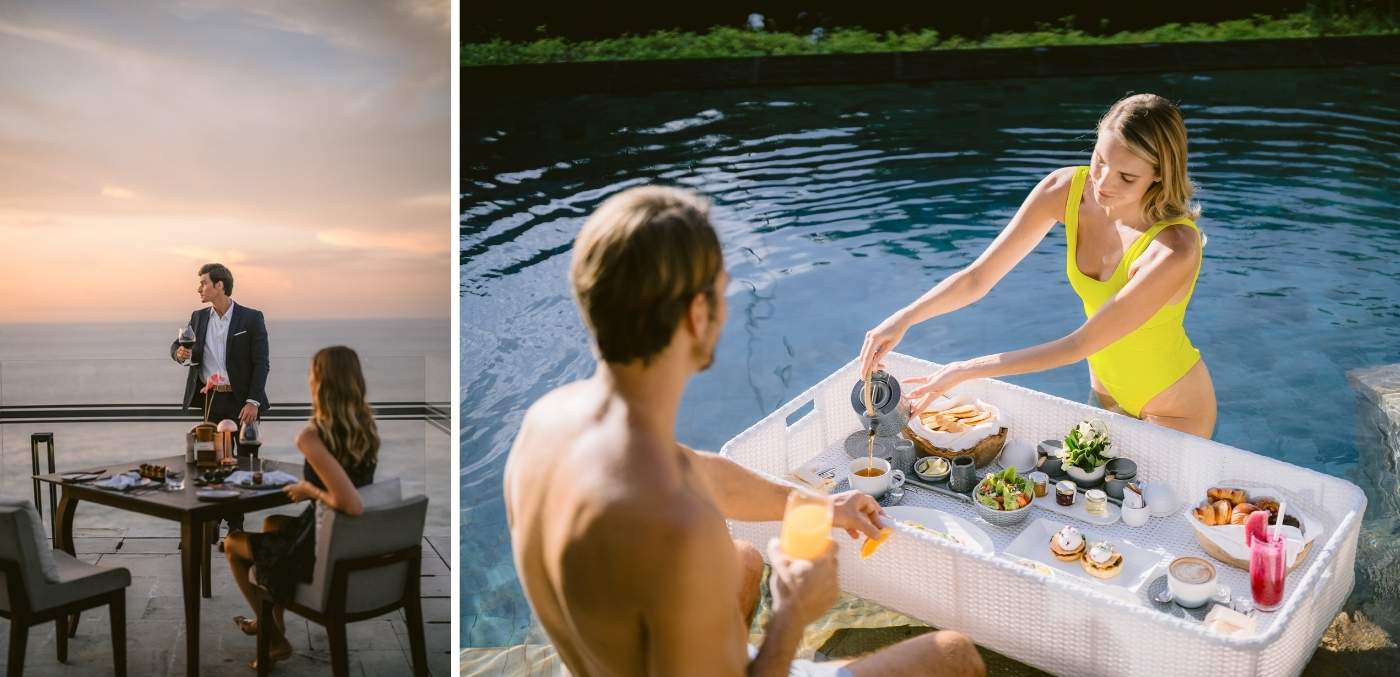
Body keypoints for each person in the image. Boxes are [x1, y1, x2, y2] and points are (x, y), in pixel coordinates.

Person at [505, 186, 985, 676]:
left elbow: (698, 471)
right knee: (954, 656)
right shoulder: (680, 524)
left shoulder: (548, 424)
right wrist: (791, 614)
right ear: (697, 316)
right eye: (722, 291)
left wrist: (824, 507)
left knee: (743, 559)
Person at [860, 93, 1216, 438]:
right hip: (1106, 393)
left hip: (1174, 412)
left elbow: (1077, 345)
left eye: (1126, 177)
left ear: (1160, 173)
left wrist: (963, 370)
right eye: (1100, 160)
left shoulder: (1173, 249)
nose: (1104, 182)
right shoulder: (1066, 190)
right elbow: (977, 278)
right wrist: (903, 318)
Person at [223, 346, 378, 670]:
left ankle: (275, 642)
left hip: (323, 545)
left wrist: (308, 489)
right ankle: (270, 620)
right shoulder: (366, 428)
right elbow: (348, 484)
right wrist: (315, 492)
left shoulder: (312, 436)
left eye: (312, 374)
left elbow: (350, 503)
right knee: (273, 522)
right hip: (348, 539)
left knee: (232, 544)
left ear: (320, 383)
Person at [170, 262, 271, 540]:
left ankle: (236, 526)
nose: (199, 288)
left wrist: (253, 402)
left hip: (242, 403)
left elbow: (261, 363)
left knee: (243, 464)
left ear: (219, 285)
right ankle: (212, 520)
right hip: (211, 401)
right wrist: (179, 353)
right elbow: (179, 344)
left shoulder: (251, 318)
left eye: (203, 283)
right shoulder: (198, 317)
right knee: (210, 463)